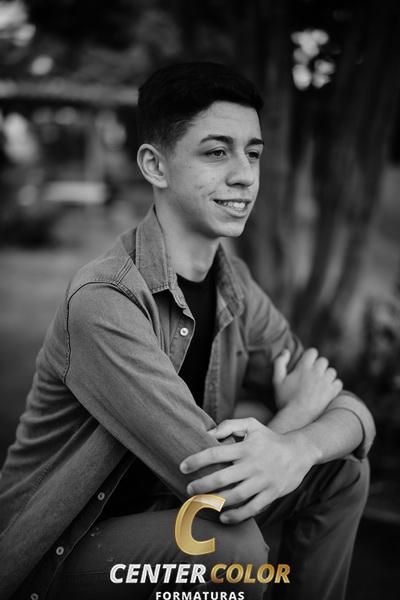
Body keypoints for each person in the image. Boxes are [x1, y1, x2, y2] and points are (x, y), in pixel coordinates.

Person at [0, 62, 375, 600]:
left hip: (166, 514)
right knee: (229, 548)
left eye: (253, 153)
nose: (245, 175)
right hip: (61, 554)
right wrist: (295, 423)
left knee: (341, 473)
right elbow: (221, 487)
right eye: (217, 152)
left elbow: (354, 414)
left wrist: (299, 448)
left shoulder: (235, 286)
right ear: (155, 165)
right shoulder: (105, 300)